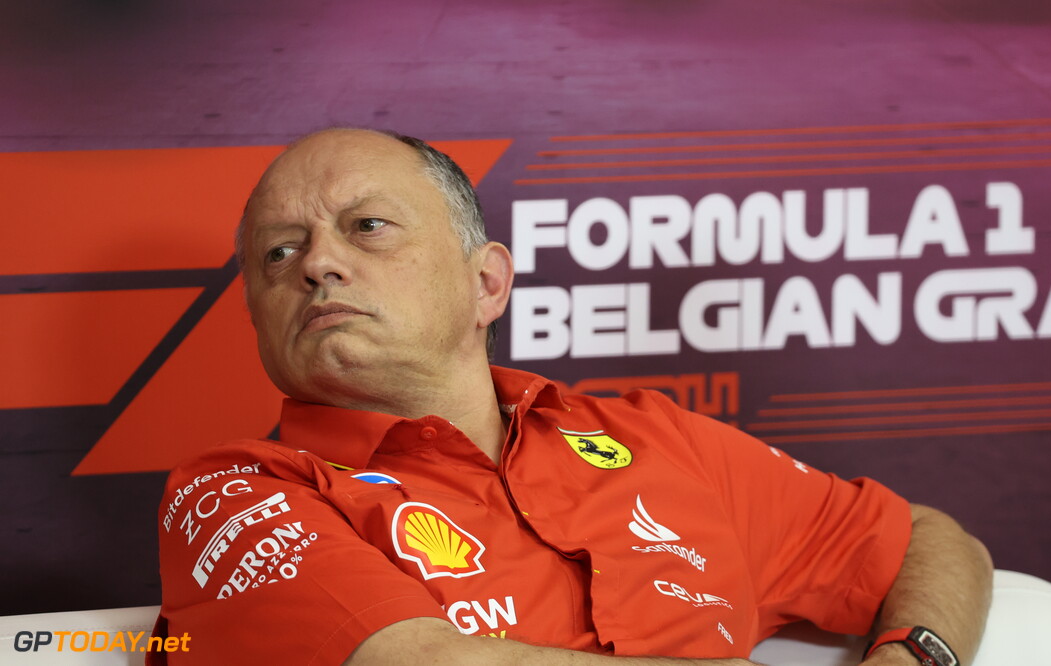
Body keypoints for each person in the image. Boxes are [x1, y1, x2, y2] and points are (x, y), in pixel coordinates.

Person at [153, 127, 993, 665]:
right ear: (259, 318)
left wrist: (914, 656)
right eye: (278, 253)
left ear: (486, 284)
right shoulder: (235, 495)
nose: (317, 263)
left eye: (366, 226)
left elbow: (927, 539)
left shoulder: (656, 442)